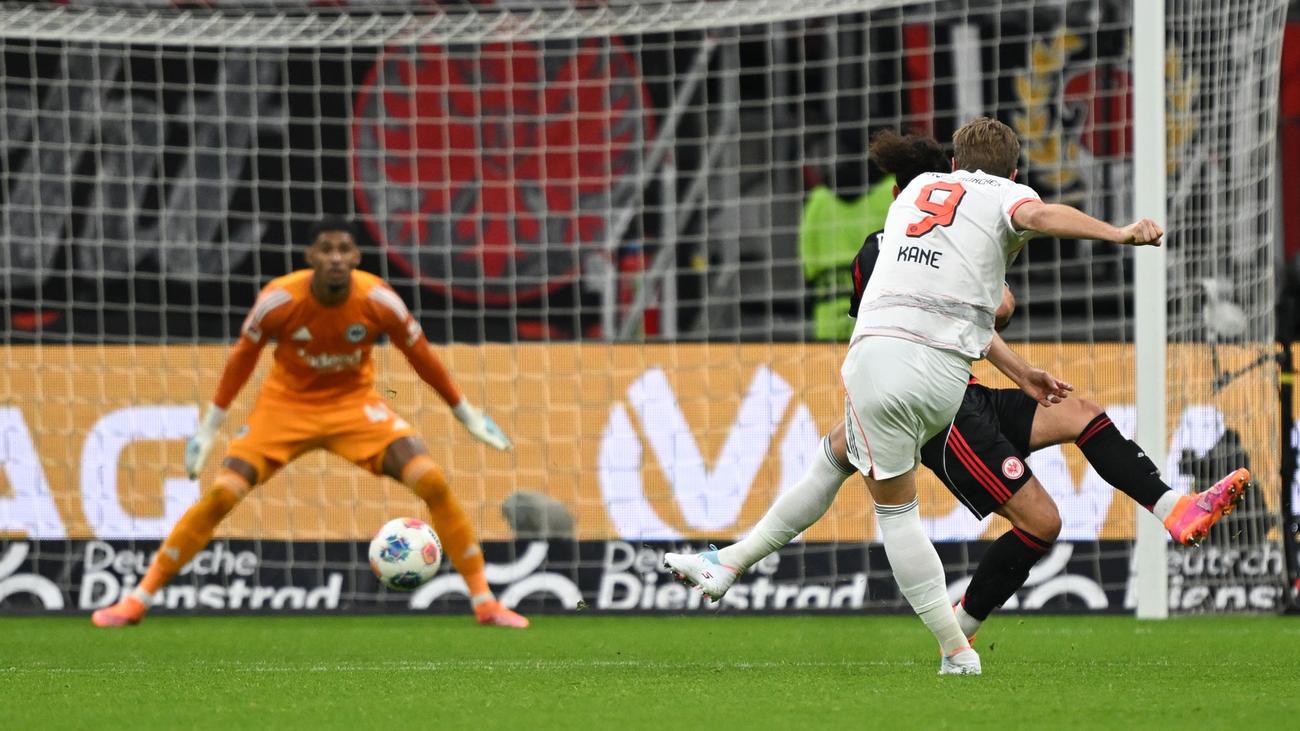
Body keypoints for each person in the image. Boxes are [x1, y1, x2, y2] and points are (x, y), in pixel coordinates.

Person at [666, 133, 1249, 647]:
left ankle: (1173, 508)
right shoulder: (924, 235)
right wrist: (1116, 235)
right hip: (939, 406)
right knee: (1036, 521)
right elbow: (993, 307)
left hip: (932, 382)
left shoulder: (904, 228)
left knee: (1074, 414)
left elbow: (962, 314)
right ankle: (956, 634)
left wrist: (1020, 371)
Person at [92, 217, 529, 629]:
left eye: (344, 249)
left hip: (354, 406)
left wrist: (465, 412)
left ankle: (485, 602)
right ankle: (137, 600)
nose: (335, 257)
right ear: (310, 256)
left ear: (356, 256)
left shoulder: (378, 299)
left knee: (431, 480)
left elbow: (421, 356)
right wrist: (209, 428)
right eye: (326, 249)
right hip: (285, 408)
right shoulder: (280, 299)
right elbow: (242, 359)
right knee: (222, 493)